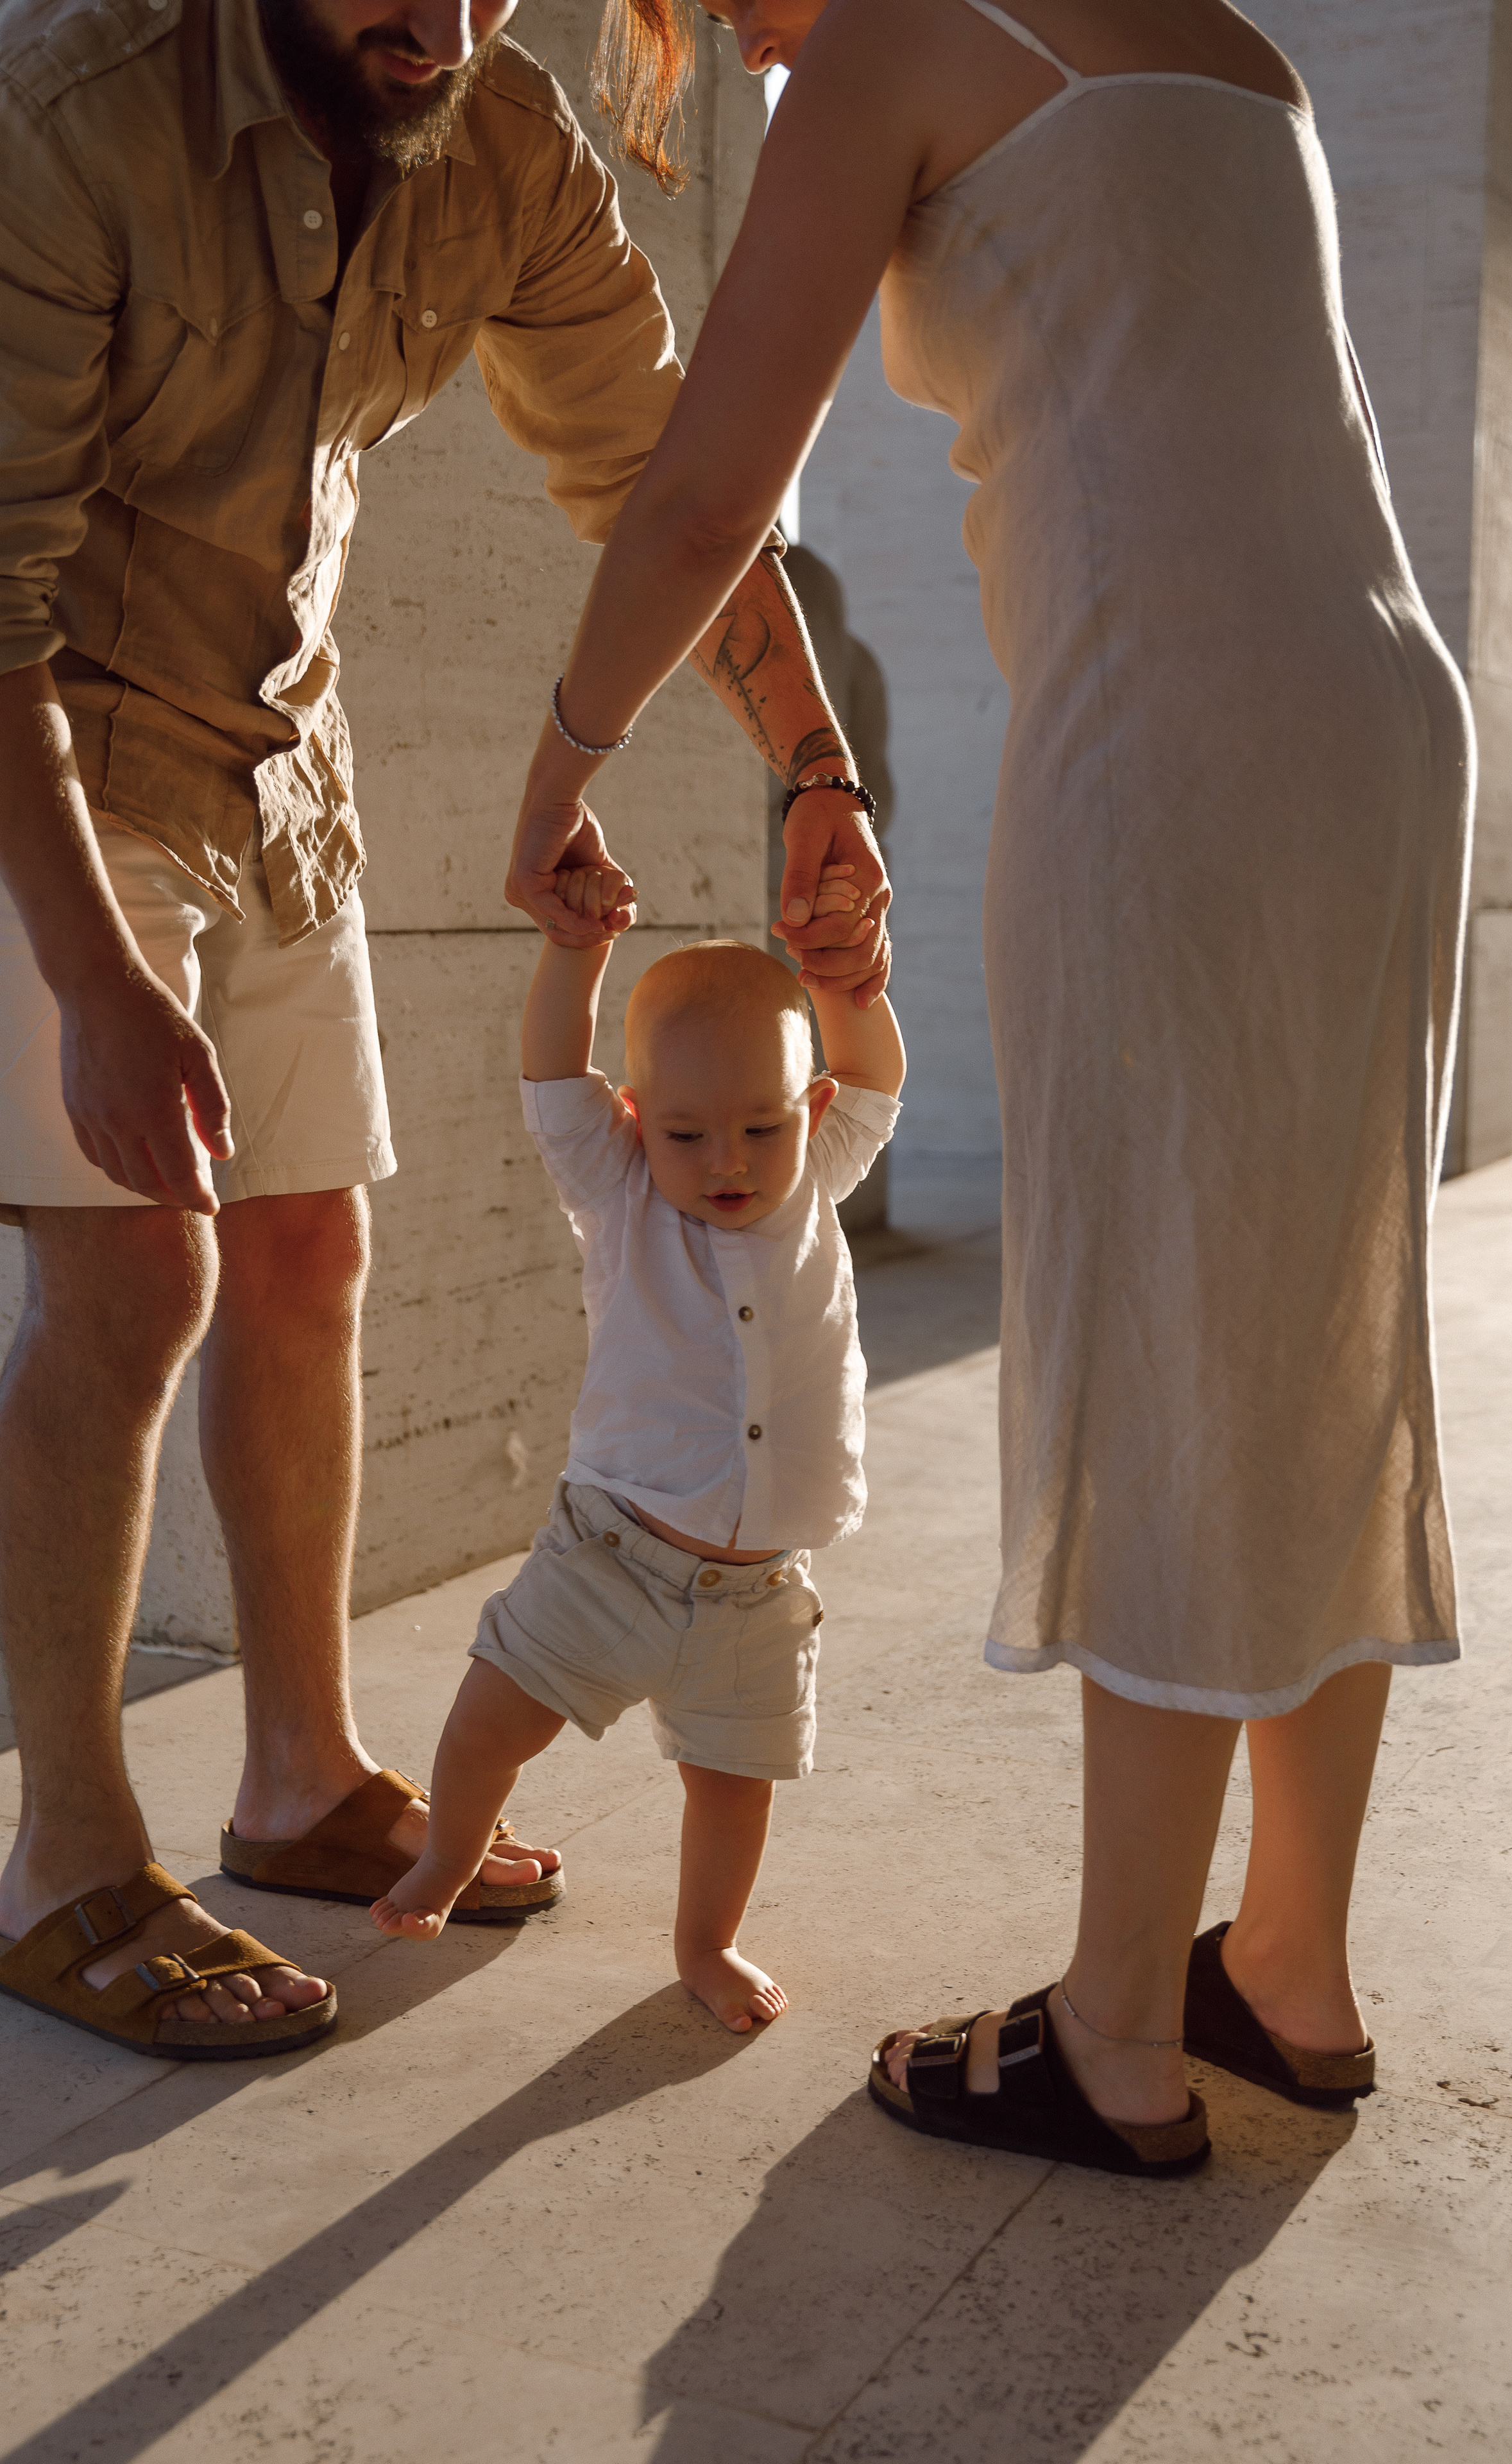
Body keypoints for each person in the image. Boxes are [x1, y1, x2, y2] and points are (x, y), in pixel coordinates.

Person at [498, 0, 1474, 2174]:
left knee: (1154, 1334)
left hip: (1176, 741)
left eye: (721, 4)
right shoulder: (1235, 46)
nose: (741, 40)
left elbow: (701, 489)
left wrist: (554, 768)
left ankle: (1120, 2024)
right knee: (1325, 1334)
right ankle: (1290, 1972)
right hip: (1387, 720)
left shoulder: (894, 42)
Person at [0, 0, 887, 2062]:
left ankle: (296, 1779)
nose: (441, 22)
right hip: (61, 763)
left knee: (309, 1252)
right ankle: (64, 1855)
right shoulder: (73, 109)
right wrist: (99, 985)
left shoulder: (502, 138)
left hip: (276, 755)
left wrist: (814, 771)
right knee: (136, 1274)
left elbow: (668, 478)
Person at [368, 863, 905, 2033]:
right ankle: (449, 1858)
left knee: (732, 1785)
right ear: (633, 1122)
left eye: (761, 1128)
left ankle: (705, 1945)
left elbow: (874, 1071)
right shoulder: (619, 1192)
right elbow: (553, 1075)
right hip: (609, 1553)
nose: (727, 1162)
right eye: (686, 1132)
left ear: (806, 1117)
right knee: (490, 1722)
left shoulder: (815, 1174)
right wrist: (576, 955)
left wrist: (845, 982)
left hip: (759, 1589)